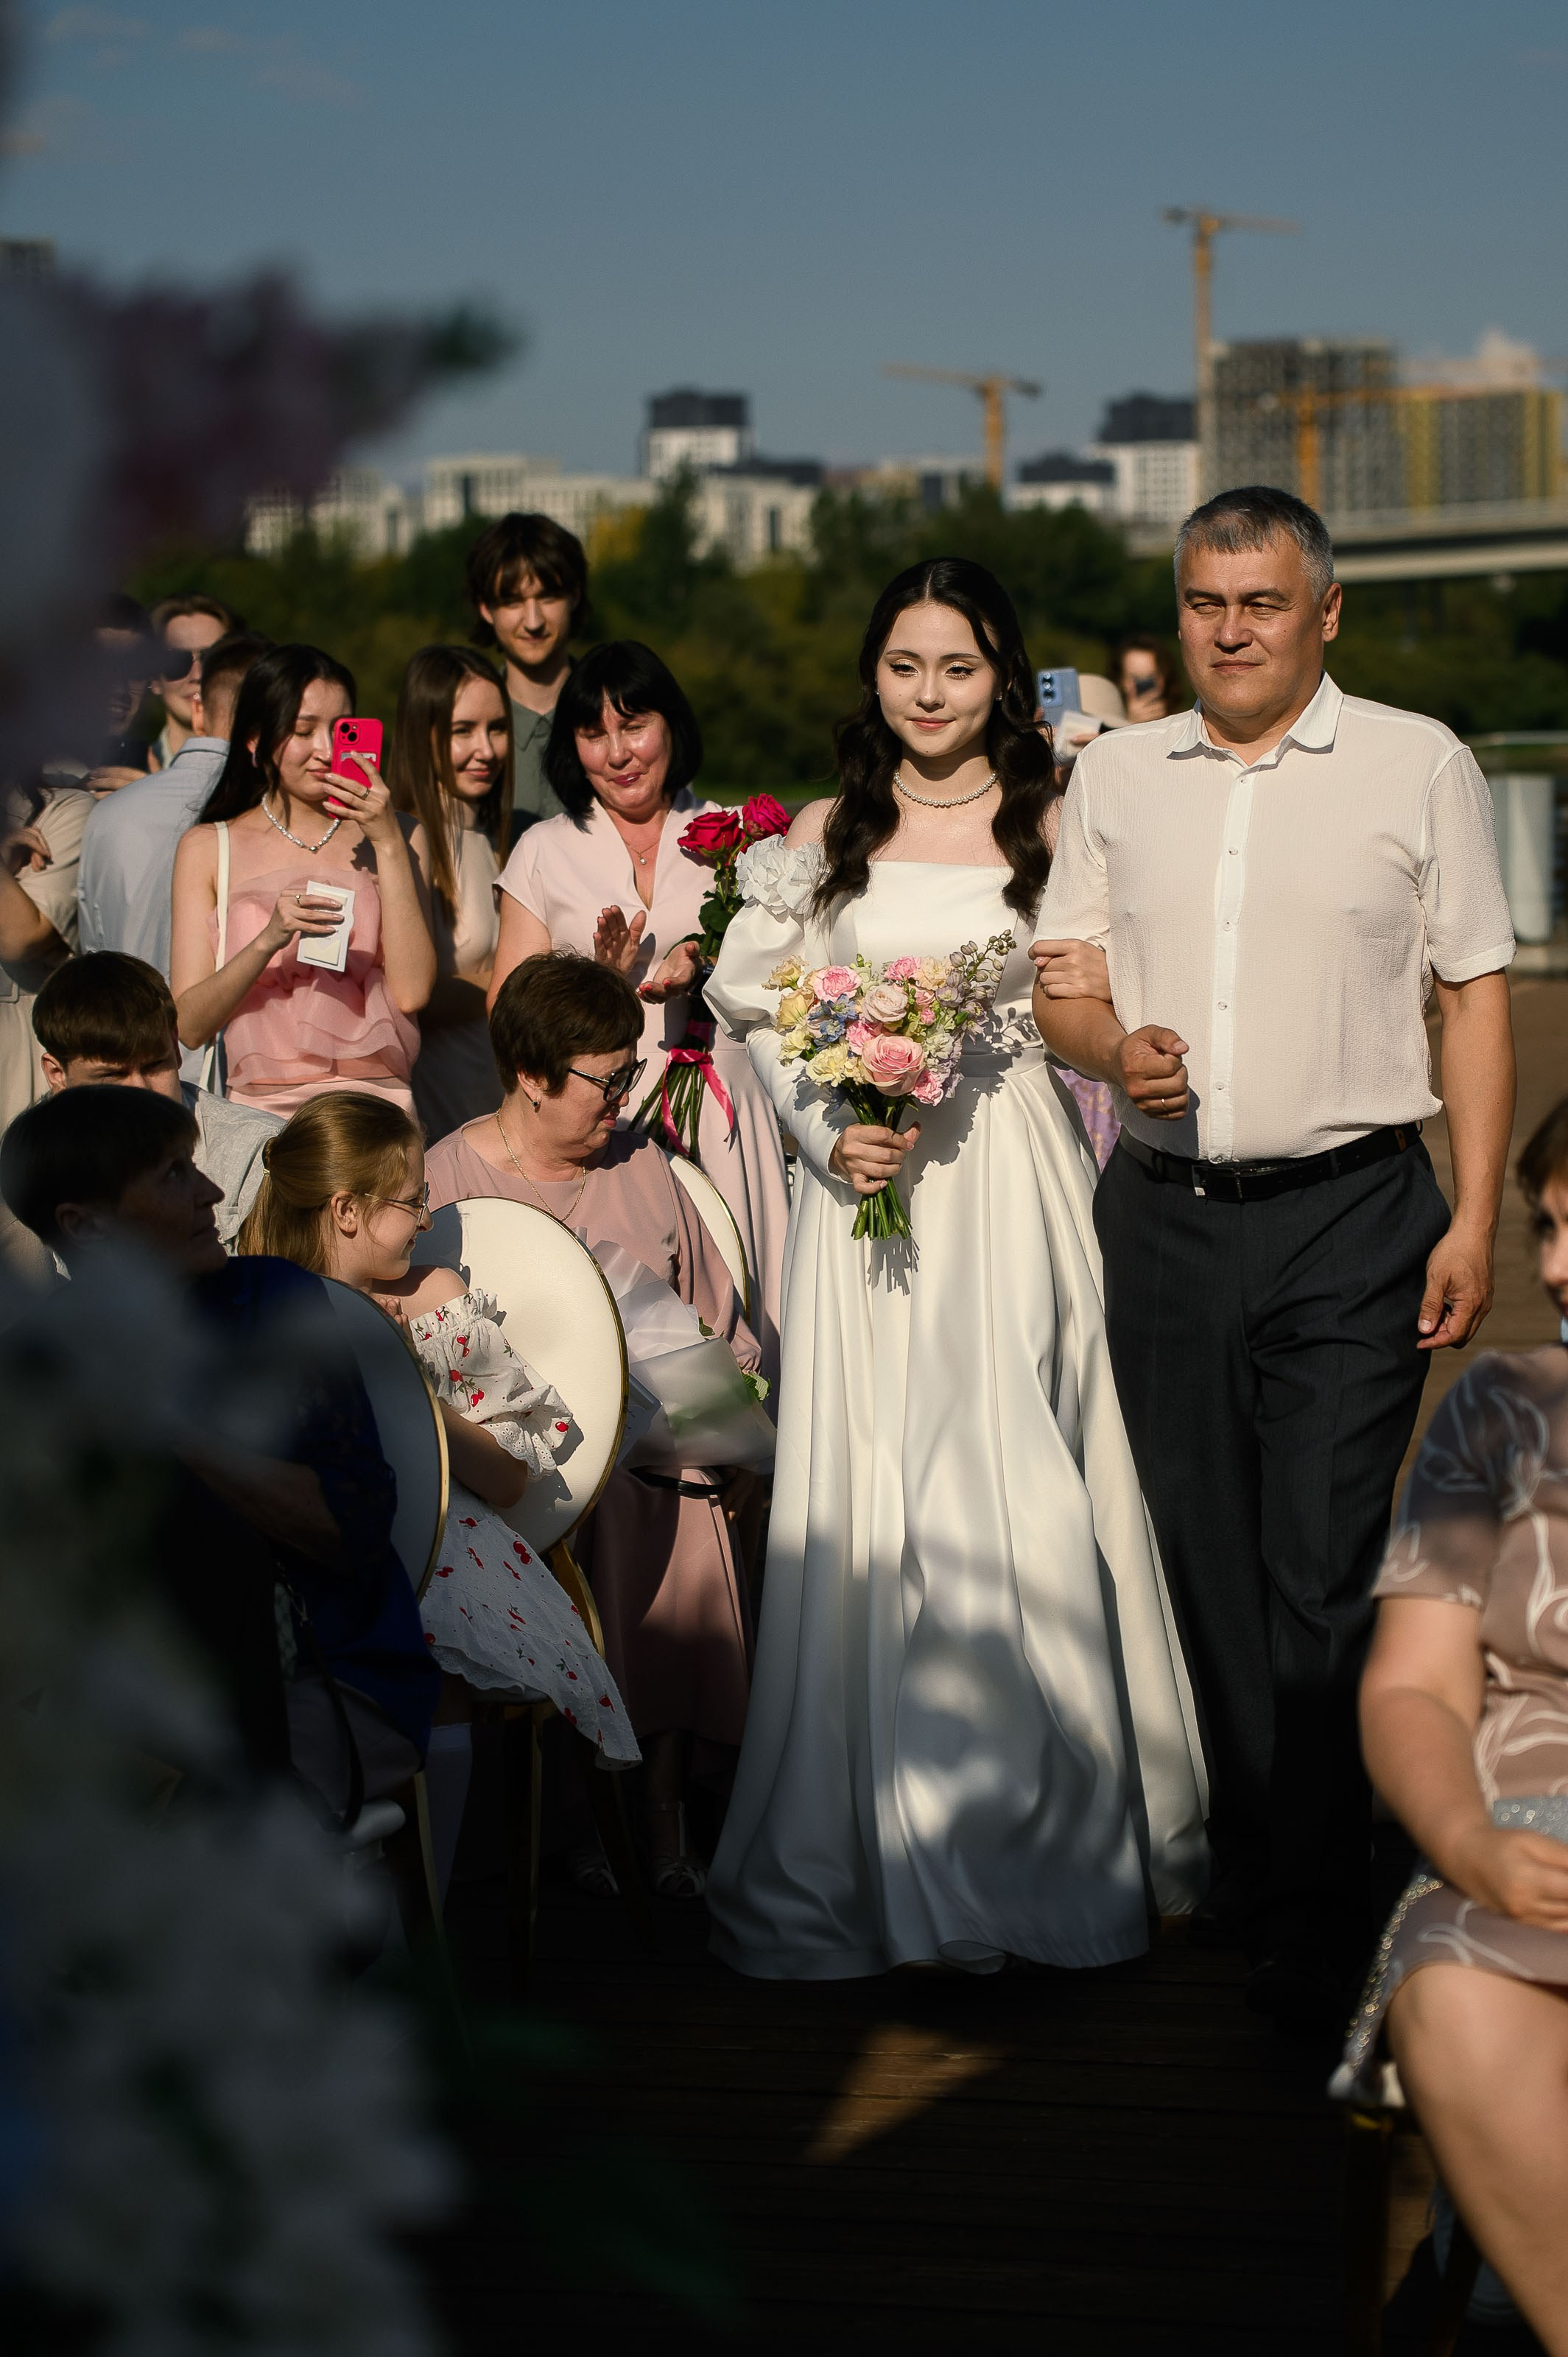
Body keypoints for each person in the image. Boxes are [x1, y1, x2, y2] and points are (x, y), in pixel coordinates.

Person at [1033, 484, 1517, 2029]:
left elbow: (1472, 996)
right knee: (1202, 1560)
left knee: (1316, 1568)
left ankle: (1315, 1914)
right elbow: (1061, 991)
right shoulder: (1109, 773)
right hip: (1160, 1219)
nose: (1224, 628)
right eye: (1199, 600)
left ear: (1322, 614)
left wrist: (1473, 1212)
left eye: (1254, 602)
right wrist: (1116, 1048)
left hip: (1351, 1215)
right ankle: (1259, 1852)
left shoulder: (1415, 761)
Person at [701, 556, 1209, 1981]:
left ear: (1003, 676)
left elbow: (1100, 995)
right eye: (905, 665)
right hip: (870, 1201)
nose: (929, 694)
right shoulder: (820, 832)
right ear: (872, 673)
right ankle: (891, 1854)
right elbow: (759, 1008)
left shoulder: (1058, 822)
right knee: (886, 1497)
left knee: (1010, 1483)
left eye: (961, 668)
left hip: (1007, 1187)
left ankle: (1023, 1855)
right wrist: (825, 1136)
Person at [0, 1085, 438, 1810]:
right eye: (173, 1173)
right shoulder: (36, 1363)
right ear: (85, 1225)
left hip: (326, 1677)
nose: (209, 1192)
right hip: (121, 1700)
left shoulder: (270, 1304)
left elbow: (350, 1529)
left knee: (173, 1830)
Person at [426, 952, 762, 1896]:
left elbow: (715, 1317)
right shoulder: (446, 1182)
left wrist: (740, 1436)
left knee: (686, 1515)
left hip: (661, 1461)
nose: (621, 1098)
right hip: (519, 1482)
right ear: (531, 1076)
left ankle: (660, 1822)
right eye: (602, 1080)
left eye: (628, 1074)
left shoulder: (645, 1163)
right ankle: (572, 1825)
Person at [1335, 1096, 1568, 2351]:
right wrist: (1466, 1845)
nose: (1549, 1268)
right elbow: (1411, 1688)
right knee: (1455, 2002)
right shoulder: (1497, 1414)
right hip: (1518, 1834)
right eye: (1542, 1227)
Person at [239, 1088, 639, 1760]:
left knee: (432, 1659)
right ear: (346, 1211)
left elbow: (510, 1479)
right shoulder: (259, 1299)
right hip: (308, 1533)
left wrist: (409, 1387)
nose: (426, 1221)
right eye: (412, 1201)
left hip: (438, 1537)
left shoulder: (434, 1299)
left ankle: (431, 1859)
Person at [488, 640, 789, 1383]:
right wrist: (600, 983)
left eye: (634, 724)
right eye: (594, 733)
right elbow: (507, 1013)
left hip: (727, 1107)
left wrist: (709, 958)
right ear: (572, 746)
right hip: (604, 1122)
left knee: (757, 1305)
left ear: (671, 724)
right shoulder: (544, 849)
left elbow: (796, 979)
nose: (619, 752)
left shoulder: (742, 837)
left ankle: (761, 1480)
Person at [170, 644, 436, 1117]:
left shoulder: (403, 832)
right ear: (254, 738)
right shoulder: (209, 846)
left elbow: (414, 990)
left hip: (376, 1108)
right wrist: (267, 940)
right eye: (303, 730)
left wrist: (389, 843)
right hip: (261, 1114)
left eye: (342, 730)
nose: (327, 751)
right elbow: (189, 1024)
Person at [33, 952, 281, 1246]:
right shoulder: (27, 1163)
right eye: (112, 1076)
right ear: (57, 1074)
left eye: (154, 1066)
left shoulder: (255, 1151)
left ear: (175, 1048)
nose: (141, 1091)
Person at [77, 630, 274, 979]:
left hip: (128, 1024)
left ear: (199, 710)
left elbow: (92, 947)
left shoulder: (107, 813)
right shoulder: (276, 811)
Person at [388, 644, 512, 1139]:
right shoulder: (403, 841)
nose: (485, 749)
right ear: (423, 733)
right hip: (443, 1115)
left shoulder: (492, 835)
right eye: (463, 731)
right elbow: (408, 997)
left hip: (499, 1100)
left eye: (497, 728)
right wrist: (523, 974)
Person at [466, 511, 587, 831]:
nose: (533, 622)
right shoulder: (453, 729)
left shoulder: (623, 710)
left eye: (548, 597)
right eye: (513, 602)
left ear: (574, 595)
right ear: (485, 608)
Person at [146, 594, 243, 771]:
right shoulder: (129, 771)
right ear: (154, 679)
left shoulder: (270, 768)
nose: (198, 675)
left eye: (214, 658)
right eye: (177, 661)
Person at [1113, 635, 1182, 723]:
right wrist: (1129, 724)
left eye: (1150, 677)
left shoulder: (1185, 721)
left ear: (1165, 677)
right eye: (1135, 678)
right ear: (1120, 680)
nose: (1143, 684)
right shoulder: (1107, 723)